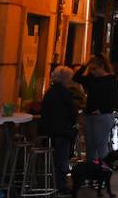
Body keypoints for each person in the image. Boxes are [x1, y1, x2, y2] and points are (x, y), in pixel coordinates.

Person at [38, 66, 82, 196]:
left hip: (49, 131)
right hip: (62, 131)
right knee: (62, 159)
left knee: (57, 158)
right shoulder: (65, 93)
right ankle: (61, 185)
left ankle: (50, 182)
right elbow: (72, 112)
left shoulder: (49, 92)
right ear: (65, 78)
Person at [73, 55, 118, 162]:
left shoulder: (111, 80)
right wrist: (85, 65)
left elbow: (114, 99)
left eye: (94, 69)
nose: (92, 72)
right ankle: (92, 170)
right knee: (90, 146)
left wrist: (102, 109)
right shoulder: (92, 79)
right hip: (89, 115)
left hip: (103, 116)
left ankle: (104, 170)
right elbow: (76, 77)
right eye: (90, 69)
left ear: (102, 67)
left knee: (101, 144)